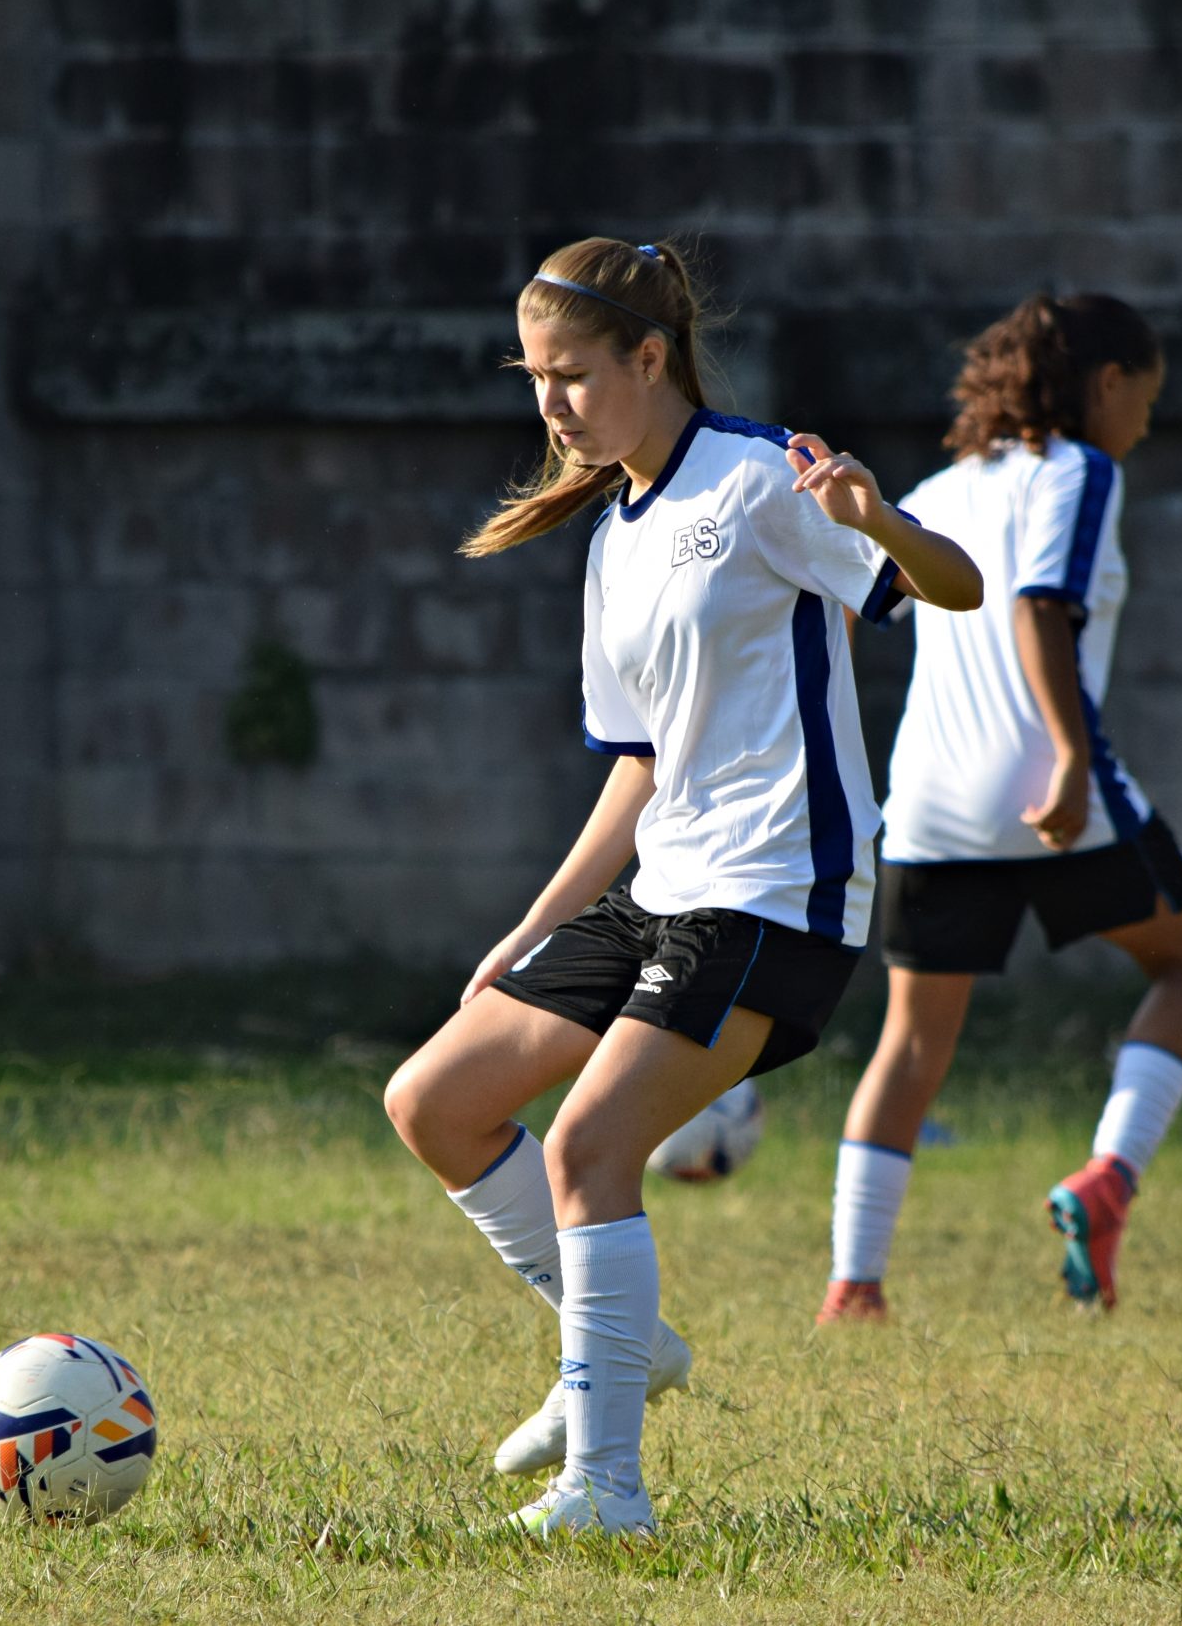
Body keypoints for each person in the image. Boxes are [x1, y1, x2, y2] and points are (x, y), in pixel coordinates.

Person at [382, 237, 983, 1536]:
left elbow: (958, 588)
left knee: (589, 1146)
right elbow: (640, 766)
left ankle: (606, 1488)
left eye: (571, 374)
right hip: (663, 889)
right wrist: (535, 924)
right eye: (533, 378)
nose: (551, 405)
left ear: (650, 357)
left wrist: (879, 519)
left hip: (777, 892)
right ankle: (625, 1345)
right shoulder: (614, 537)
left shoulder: (765, 479)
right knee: (434, 1100)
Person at [818, 293, 1182, 1325]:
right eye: (1145, 401)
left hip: (930, 803)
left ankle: (853, 1286)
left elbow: (849, 606)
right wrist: (1071, 758)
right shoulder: (1081, 470)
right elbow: (1040, 602)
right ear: (1107, 384)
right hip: (1053, 791)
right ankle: (1108, 1178)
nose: (1142, 424)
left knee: (911, 1043)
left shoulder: (935, 489)